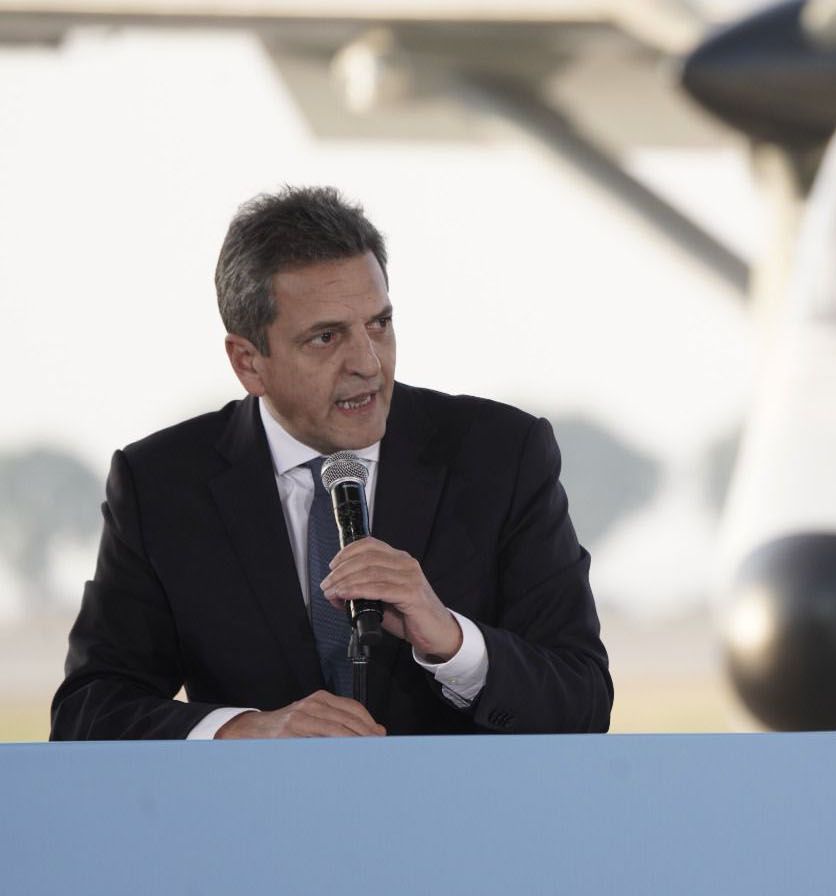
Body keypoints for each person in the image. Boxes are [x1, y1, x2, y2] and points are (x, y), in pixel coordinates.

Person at [51, 186, 612, 739]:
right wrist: (244, 731)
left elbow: (583, 701)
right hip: (260, 824)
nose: (367, 364)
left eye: (379, 325)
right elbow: (88, 711)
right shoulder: (162, 485)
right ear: (248, 363)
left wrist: (453, 641)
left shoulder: (502, 455)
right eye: (325, 337)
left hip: (456, 823)